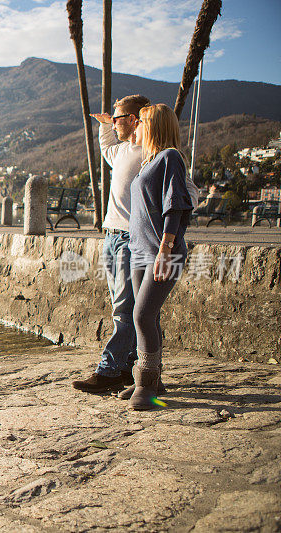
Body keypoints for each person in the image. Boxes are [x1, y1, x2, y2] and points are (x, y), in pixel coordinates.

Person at [71, 94, 150, 394]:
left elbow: (184, 191)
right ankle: (130, 368)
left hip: (132, 238)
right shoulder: (123, 151)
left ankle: (108, 370)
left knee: (124, 307)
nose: (114, 123)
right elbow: (106, 149)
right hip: (111, 237)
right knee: (123, 305)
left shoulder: (150, 152)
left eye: (117, 118)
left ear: (133, 120)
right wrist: (105, 126)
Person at [125, 103, 194, 410]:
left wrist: (165, 252)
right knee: (148, 317)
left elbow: (176, 207)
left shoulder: (170, 158)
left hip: (163, 253)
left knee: (142, 316)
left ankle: (146, 385)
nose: (133, 128)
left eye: (137, 123)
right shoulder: (148, 162)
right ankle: (153, 381)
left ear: (151, 126)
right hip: (140, 253)